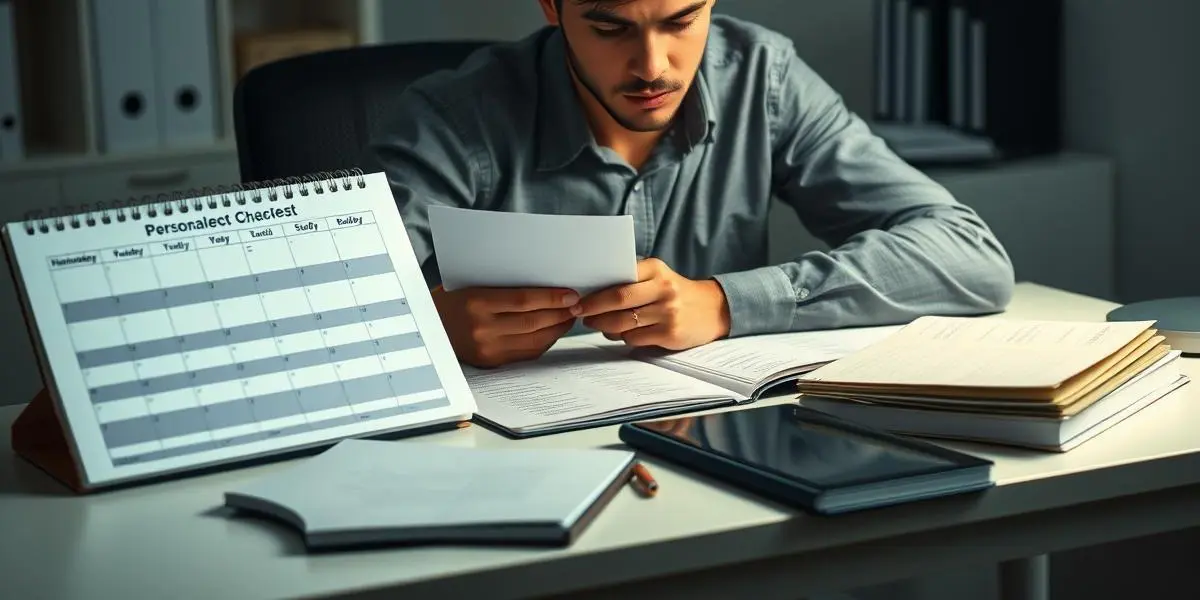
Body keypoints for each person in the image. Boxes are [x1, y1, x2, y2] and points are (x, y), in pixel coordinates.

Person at [367, 0, 1015, 369]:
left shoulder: (763, 77)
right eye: (611, 26)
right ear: (551, 8)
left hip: (721, 464)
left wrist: (726, 303)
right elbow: (311, 312)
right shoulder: (453, 119)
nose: (653, 67)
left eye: (680, 21)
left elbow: (971, 258)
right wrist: (428, 327)